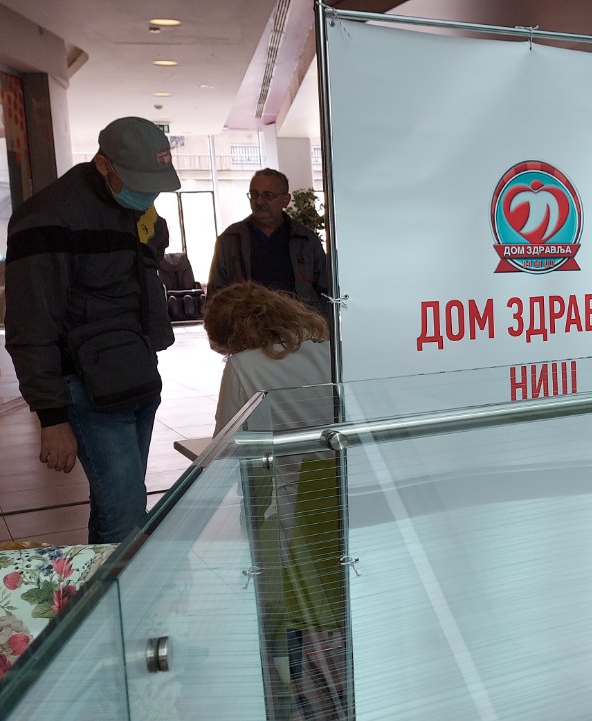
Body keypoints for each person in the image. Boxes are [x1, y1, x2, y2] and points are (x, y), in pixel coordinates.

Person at [4, 116, 179, 544]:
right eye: (139, 182)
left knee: (120, 505)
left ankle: (105, 584)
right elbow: (31, 322)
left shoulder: (141, 214)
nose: (148, 193)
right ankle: (117, 586)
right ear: (103, 165)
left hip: (136, 374)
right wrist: (51, 417)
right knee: (124, 514)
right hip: (86, 387)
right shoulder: (47, 218)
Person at [203, 280, 342, 720]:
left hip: (287, 513)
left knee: (276, 582)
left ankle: (287, 680)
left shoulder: (243, 366)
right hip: (341, 498)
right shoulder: (328, 348)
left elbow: (225, 445)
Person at [207, 168, 333, 327]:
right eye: (254, 194)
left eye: (268, 195)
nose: (259, 202)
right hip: (247, 330)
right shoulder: (230, 240)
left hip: (298, 329)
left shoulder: (306, 239)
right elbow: (216, 295)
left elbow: (326, 291)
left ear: (285, 200)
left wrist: (321, 327)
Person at [205, 280, 333, 432]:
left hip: (282, 448)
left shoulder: (242, 366)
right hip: (337, 444)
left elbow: (226, 435)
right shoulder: (326, 348)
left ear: (230, 338)